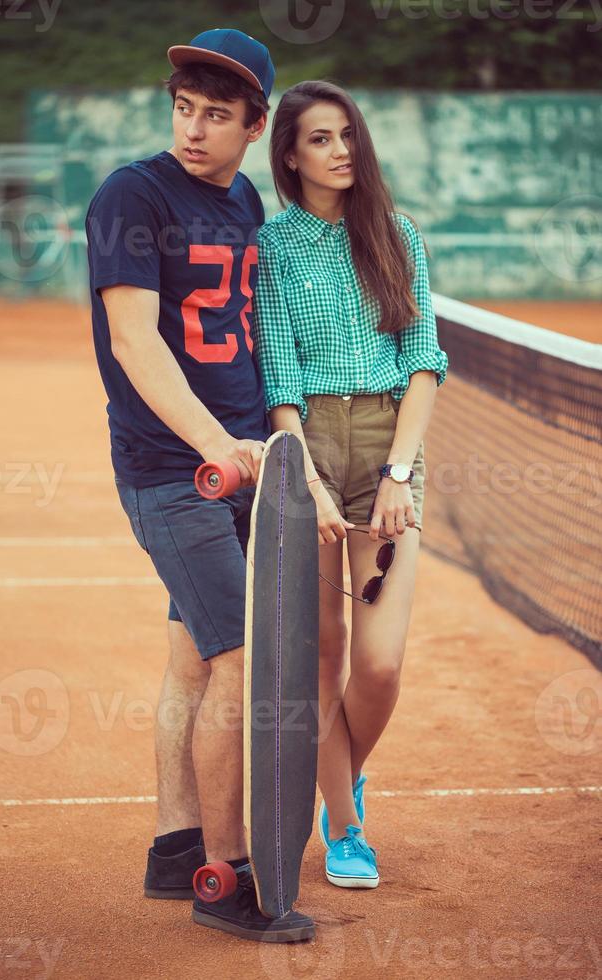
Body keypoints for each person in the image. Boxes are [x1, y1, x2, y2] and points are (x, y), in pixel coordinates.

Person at [85, 30, 315, 943]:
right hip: (171, 472)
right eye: (184, 108)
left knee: (192, 657)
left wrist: (265, 441)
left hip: (243, 465)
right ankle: (231, 879)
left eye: (217, 115)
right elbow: (135, 344)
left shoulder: (248, 196)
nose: (193, 129)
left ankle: (175, 848)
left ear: (254, 128)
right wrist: (222, 441)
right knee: (237, 663)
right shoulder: (130, 195)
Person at [252, 80, 448, 889]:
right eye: (320, 140)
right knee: (320, 658)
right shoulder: (271, 246)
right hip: (305, 449)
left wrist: (397, 474)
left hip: (385, 445)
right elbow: (278, 374)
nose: (340, 152)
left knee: (377, 667)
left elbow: (424, 359)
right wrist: (307, 482)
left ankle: (339, 775)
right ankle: (344, 826)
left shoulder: (396, 235)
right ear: (289, 156)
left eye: (346, 136)